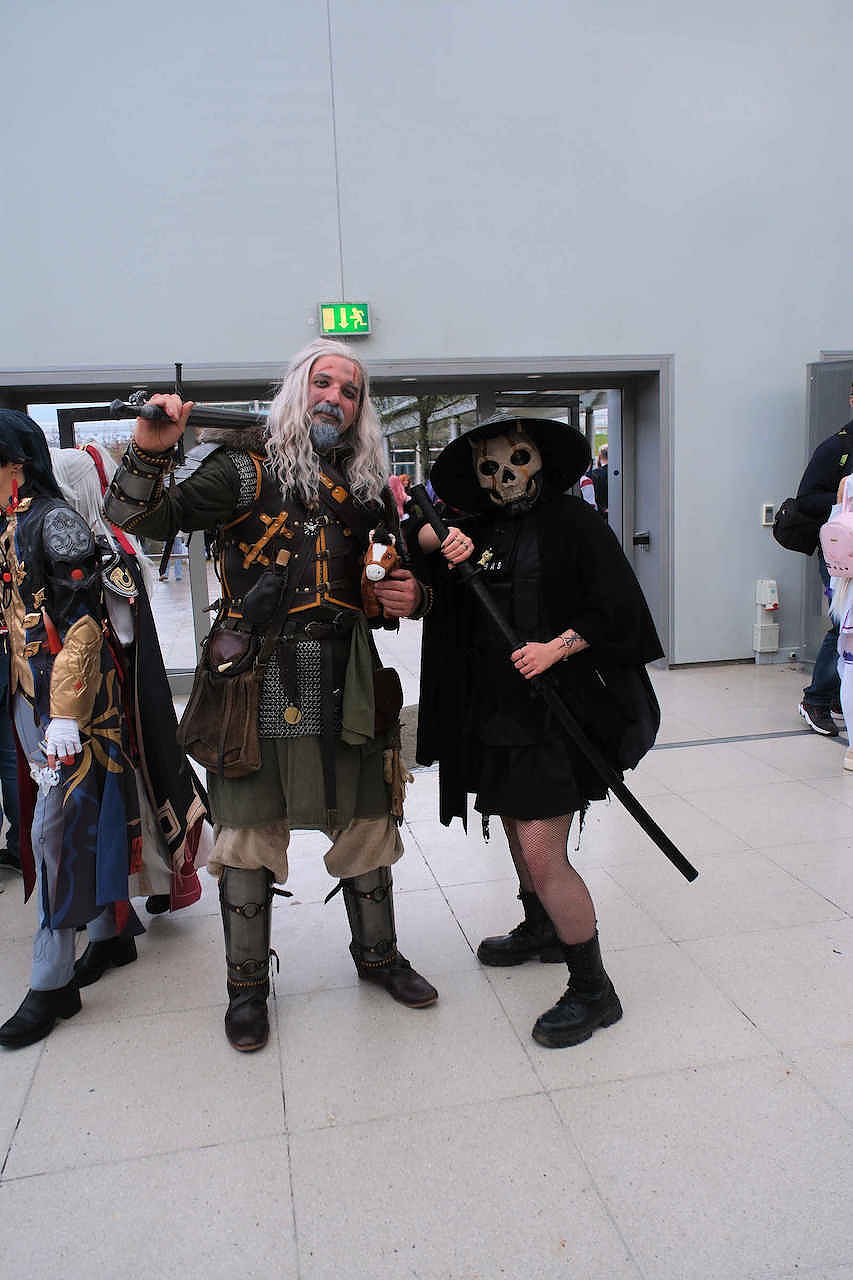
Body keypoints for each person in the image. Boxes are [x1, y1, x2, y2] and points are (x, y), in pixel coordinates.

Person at [104, 338, 438, 1053]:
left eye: (350, 390)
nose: (335, 398)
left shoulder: (368, 485)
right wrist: (150, 451)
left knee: (367, 820)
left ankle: (378, 957)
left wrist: (412, 595)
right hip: (259, 673)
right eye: (324, 382)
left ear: (360, 408)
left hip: (348, 672)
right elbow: (137, 518)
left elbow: (391, 570)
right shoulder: (243, 467)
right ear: (296, 388)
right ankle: (246, 987)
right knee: (249, 834)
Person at [413, 416, 662, 1048]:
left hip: (555, 714)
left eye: (516, 460)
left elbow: (618, 611)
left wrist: (557, 647)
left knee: (544, 852)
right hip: (495, 714)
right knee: (514, 830)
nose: (504, 477)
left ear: (541, 461)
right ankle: (542, 927)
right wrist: (439, 541)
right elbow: (420, 554)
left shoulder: (575, 523)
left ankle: (594, 990)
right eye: (488, 469)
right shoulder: (480, 528)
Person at [0, 412, 144, 1049]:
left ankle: (51, 982)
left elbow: (82, 623)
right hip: (29, 695)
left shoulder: (53, 521)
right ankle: (111, 935)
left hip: (72, 704)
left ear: (15, 462)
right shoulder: (8, 521)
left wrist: (64, 712)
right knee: (74, 823)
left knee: (52, 834)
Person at [50, 444, 210, 938]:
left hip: (117, 699)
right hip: (104, 696)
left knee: (139, 796)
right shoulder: (101, 544)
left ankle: (150, 888)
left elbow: (121, 634)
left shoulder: (106, 551)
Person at [796, 385, 853, 736]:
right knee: (842, 623)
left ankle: (838, 696)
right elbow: (805, 499)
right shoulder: (836, 448)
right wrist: (843, 498)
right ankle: (815, 699)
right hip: (841, 554)